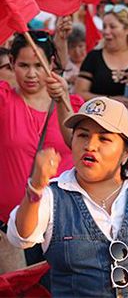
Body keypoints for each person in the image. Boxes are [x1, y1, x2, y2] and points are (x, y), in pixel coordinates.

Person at [7, 96, 128, 298]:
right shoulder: (52, 195)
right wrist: (36, 189)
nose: (90, 146)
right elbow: (21, 237)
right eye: (83, 135)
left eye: (104, 138)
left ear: (126, 152)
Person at [0, 30, 83, 273]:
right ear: (12, 63)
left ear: (52, 64)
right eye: (23, 65)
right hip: (12, 228)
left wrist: (62, 98)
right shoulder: (4, 99)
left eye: (39, 64)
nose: (32, 74)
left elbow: (75, 143)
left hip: (64, 226)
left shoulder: (72, 104)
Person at [75, 5, 128, 105]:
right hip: (101, 117)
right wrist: (110, 100)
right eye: (104, 27)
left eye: (112, 27)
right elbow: (80, 93)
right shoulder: (93, 57)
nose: (106, 32)